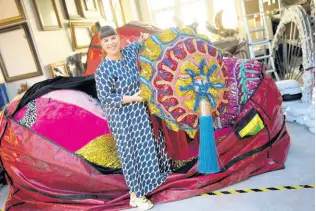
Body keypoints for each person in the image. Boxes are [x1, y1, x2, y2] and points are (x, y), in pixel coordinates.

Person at [95, 25, 171, 210]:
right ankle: (136, 195)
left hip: (139, 112)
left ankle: (147, 186)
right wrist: (135, 98)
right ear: (102, 45)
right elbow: (105, 98)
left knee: (146, 146)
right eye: (106, 40)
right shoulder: (103, 70)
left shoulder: (127, 53)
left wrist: (143, 38)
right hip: (121, 117)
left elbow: (138, 43)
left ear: (118, 38)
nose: (111, 42)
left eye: (112, 38)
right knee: (131, 155)